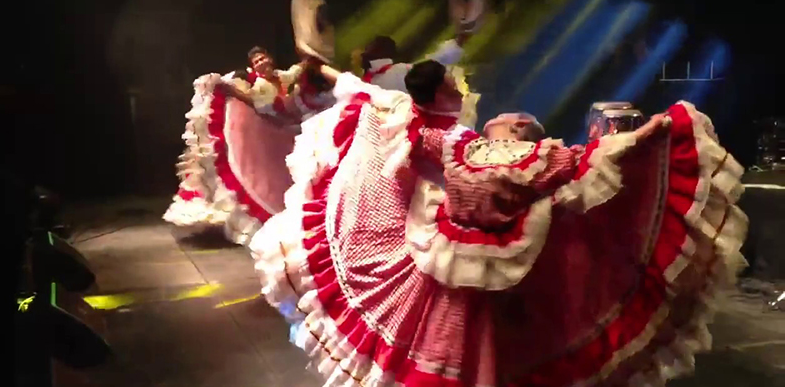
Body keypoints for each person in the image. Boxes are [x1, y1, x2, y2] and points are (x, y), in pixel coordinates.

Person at [249, 57, 748, 387]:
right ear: (444, 93)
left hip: (460, 253)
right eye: (455, 83)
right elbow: (550, 165)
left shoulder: (405, 114)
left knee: (479, 338)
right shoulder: (453, 139)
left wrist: (326, 73)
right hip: (462, 257)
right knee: (474, 341)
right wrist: (634, 143)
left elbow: (358, 86)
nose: (462, 87)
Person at [163, 47, 335, 244]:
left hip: (292, 130)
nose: (261, 63)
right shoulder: (260, 86)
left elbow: (299, 69)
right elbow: (255, 101)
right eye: (256, 62)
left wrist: (311, 57)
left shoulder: (283, 76)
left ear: (270, 59)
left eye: (263, 58)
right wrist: (230, 90)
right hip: (272, 130)